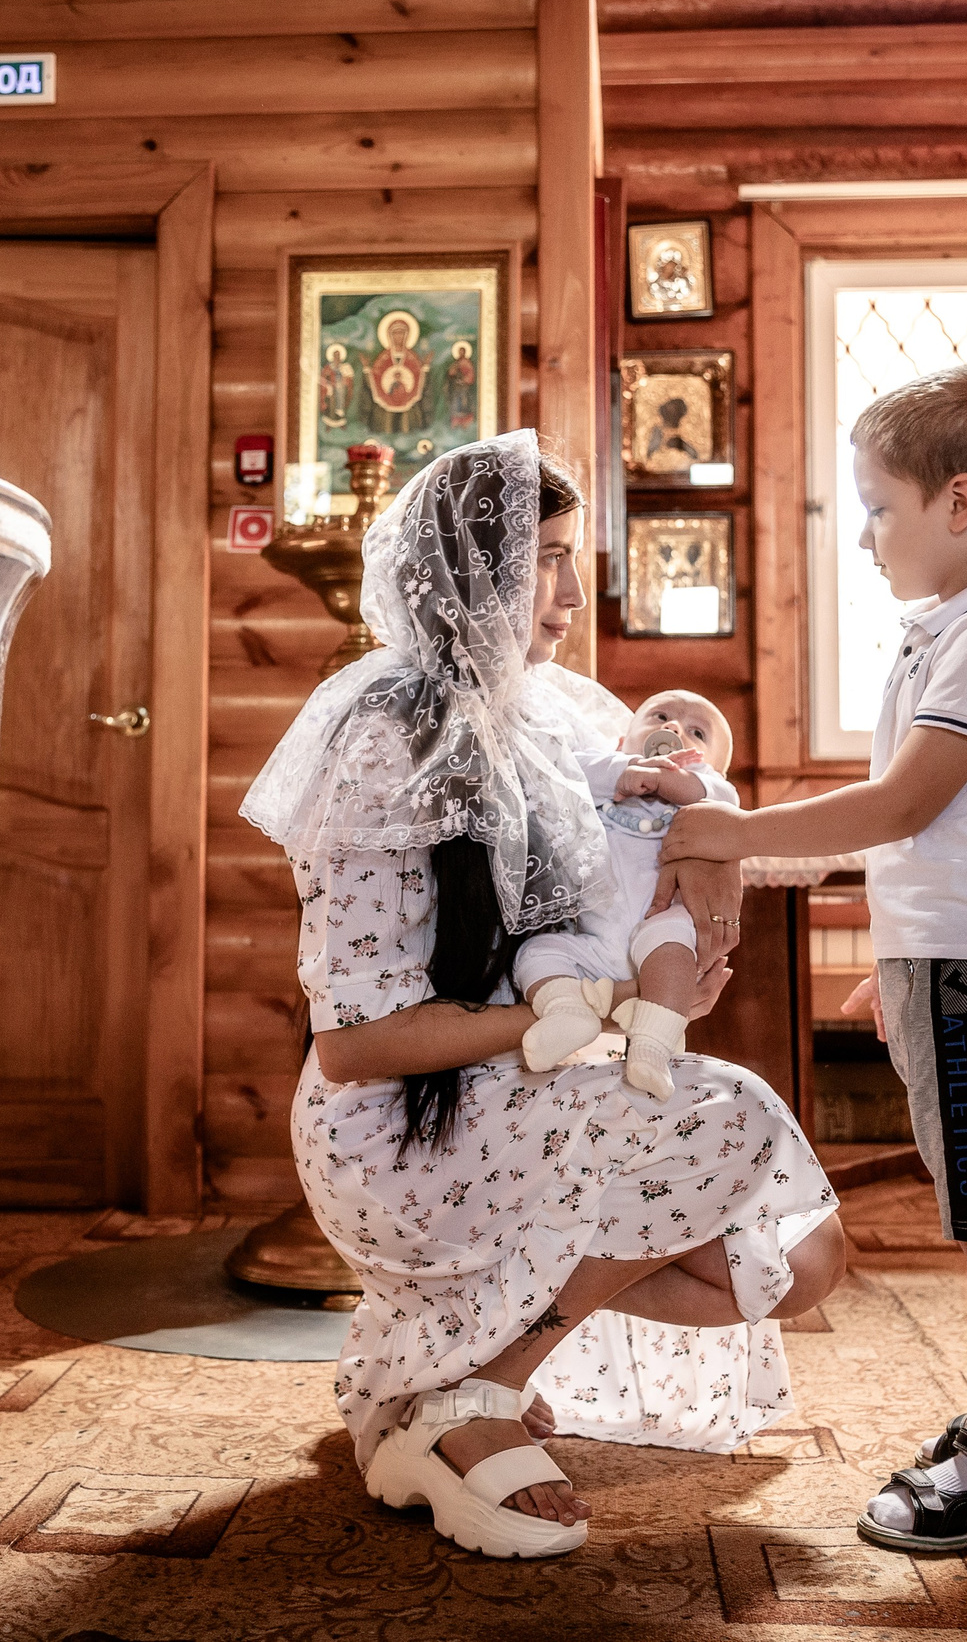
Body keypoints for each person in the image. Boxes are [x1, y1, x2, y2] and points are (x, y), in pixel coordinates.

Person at [238, 429, 849, 1562]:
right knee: (736, 1116)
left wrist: (680, 937)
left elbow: (664, 841)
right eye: (544, 560)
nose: (571, 593)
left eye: (576, 557)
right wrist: (589, 1009)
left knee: (800, 1261)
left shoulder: (559, 712)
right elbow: (354, 1051)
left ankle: (446, 1375)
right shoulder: (387, 736)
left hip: (537, 1084)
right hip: (401, 1126)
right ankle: (470, 1396)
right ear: (468, 571)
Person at [664, 364, 967, 1551]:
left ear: (959, 503)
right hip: (957, 954)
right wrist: (896, 958)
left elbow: (907, 804)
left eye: (876, 506)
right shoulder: (956, 628)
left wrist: (739, 837)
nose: (863, 535)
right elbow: (947, 839)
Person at [513, 688, 741, 1099]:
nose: (673, 729)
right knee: (537, 953)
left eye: (697, 733)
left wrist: (673, 779)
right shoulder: (605, 785)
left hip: (657, 928)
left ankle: (652, 1047)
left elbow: (724, 799)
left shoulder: (702, 797)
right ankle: (567, 1011)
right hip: (592, 943)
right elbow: (569, 771)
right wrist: (626, 770)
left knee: (674, 943)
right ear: (621, 743)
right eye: (659, 717)